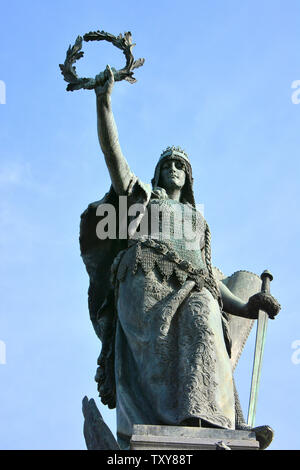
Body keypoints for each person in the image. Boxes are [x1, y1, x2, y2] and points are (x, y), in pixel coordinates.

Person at [79, 66, 280, 450]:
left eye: (182, 167)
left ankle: (210, 425)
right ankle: (154, 431)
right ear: (158, 172)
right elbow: (113, 156)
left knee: (206, 326)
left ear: (189, 179)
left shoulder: (197, 220)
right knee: (155, 365)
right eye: (169, 164)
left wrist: (247, 305)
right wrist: (104, 104)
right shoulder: (144, 200)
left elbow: (210, 277)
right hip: (146, 282)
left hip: (195, 285)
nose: (175, 170)